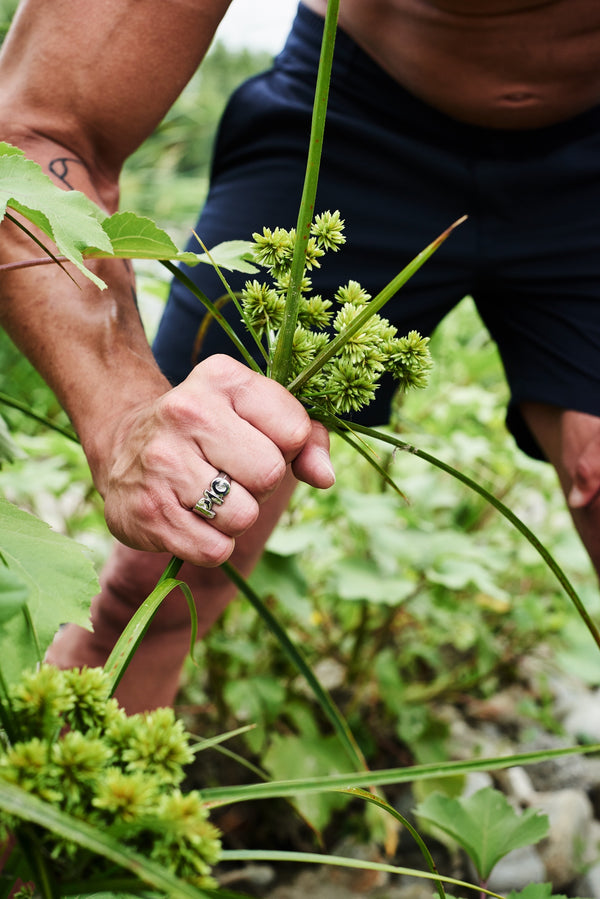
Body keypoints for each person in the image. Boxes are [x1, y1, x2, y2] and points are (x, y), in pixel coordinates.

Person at [1, 0, 600, 713]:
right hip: (351, 122)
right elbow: (31, 136)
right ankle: (60, 807)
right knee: (169, 565)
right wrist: (124, 409)